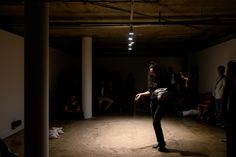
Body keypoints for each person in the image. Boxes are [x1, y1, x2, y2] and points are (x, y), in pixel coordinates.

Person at [134, 61, 168, 152]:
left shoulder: (163, 79)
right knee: (155, 122)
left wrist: (162, 95)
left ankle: (162, 145)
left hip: (162, 102)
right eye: (150, 70)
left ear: (157, 71)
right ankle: (160, 142)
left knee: (156, 121)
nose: (151, 72)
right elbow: (150, 92)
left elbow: (167, 91)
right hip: (153, 102)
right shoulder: (151, 79)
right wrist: (141, 94)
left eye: (152, 70)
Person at [222, 61, 236, 157]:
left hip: (232, 112)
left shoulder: (230, 81)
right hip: (231, 111)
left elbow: (225, 96)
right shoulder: (230, 82)